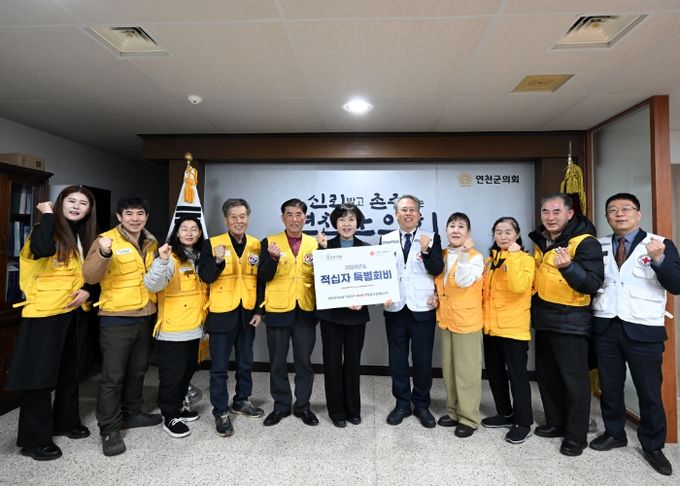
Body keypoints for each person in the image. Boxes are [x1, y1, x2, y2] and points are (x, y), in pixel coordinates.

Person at [589, 193, 680, 476]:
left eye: (626, 209)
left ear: (638, 214)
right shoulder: (599, 245)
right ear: (606, 216)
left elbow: (676, 284)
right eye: (612, 210)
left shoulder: (660, 243)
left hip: (643, 328)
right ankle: (614, 433)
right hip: (606, 325)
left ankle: (653, 445)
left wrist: (659, 259)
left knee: (649, 390)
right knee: (610, 386)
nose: (619, 214)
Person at [6, 186, 97, 461]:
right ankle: (34, 440)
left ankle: (65, 422)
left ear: (89, 210)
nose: (76, 206)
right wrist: (47, 215)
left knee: (70, 372)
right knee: (39, 378)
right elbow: (42, 249)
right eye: (71, 201)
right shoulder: (43, 230)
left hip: (72, 312)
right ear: (59, 203)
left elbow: (85, 274)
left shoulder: (83, 236)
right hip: (43, 315)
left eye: (83, 203)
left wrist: (87, 290)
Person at [83, 195, 161, 456]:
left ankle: (133, 412)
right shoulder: (106, 240)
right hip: (116, 317)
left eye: (140, 213)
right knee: (113, 376)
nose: (135, 218)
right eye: (129, 213)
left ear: (146, 217)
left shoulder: (151, 242)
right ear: (119, 217)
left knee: (138, 371)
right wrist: (104, 253)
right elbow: (90, 276)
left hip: (145, 315)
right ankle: (109, 428)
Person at [528, 193, 604, 456]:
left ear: (570, 214)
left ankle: (576, 436)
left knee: (574, 383)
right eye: (545, 212)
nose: (550, 217)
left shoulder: (585, 242)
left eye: (556, 211)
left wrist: (569, 267)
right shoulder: (542, 241)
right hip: (544, 319)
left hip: (570, 321)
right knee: (547, 377)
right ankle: (555, 423)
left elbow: (592, 283)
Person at [197, 198, 264, 437]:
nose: (238, 221)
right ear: (226, 220)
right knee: (219, 368)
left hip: (247, 313)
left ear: (248, 218)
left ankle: (241, 400)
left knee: (245, 363)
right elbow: (205, 276)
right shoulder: (212, 244)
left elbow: (261, 281)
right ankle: (220, 411)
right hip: (221, 314)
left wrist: (259, 311)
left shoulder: (256, 244)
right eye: (233, 217)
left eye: (242, 216)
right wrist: (217, 261)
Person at [381, 195, 443, 427]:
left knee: (422, 360)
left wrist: (426, 251)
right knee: (397, 360)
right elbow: (380, 272)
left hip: (422, 308)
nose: (408, 214)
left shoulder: (432, 237)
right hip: (395, 308)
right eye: (403, 210)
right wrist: (381, 294)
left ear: (419, 214)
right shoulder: (385, 239)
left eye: (412, 210)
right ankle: (402, 404)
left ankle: (422, 405)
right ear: (396, 214)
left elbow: (437, 269)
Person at [258, 198, 319, 426]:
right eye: (289, 214)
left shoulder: (315, 244)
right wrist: (272, 258)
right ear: (282, 218)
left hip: (305, 310)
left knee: (304, 362)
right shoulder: (269, 242)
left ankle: (303, 406)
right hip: (277, 310)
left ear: (305, 218)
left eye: (299, 214)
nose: (294, 219)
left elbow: (323, 278)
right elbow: (262, 277)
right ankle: (281, 406)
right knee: (277, 362)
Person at [144, 215, 207, 438]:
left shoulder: (199, 257)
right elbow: (152, 285)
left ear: (200, 233)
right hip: (173, 330)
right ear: (177, 233)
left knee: (187, 372)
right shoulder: (169, 257)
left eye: (194, 229)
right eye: (184, 229)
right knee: (172, 376)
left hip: (195, 327)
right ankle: (169, 416)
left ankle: (179, 406)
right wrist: (161, 261)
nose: (189, 233)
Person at [315, 203, 371, 428]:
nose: (346, 224)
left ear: (358, 223)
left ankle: (353, 410)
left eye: (351, 219)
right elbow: (319, 280)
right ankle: (336, 411)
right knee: (332, 363)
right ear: (334, 223)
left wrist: (364, 299)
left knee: (353, 363)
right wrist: (321, 251)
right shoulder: (325, 247)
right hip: (331, 316)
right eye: (342, 219)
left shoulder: (367, 249)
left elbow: (372, 282)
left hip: (357, 316)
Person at [481, 217, 535, 444]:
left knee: (518, 377)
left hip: (513, 329)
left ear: (517, 235)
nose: (503, 236)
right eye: (498, 232)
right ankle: (504, 413)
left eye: (508, 232)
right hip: (490, 328)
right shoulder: (489, 261)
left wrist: (513, 256)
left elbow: (518, 287)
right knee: (495, 374)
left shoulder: (525, 260)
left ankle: (523, 422)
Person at [433, 212, 484, 438]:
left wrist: (463, 254)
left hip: (467, 322)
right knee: (450, 370)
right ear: (446, 230)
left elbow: (463, 281)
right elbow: (440, 283)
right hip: (446, 319)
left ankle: (469, 418)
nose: (455, 230)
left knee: (467, 372)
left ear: (468, 233)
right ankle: (453, 412)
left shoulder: (475, 257)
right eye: (452, 226)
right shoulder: (443, 255)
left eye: (461, 226)